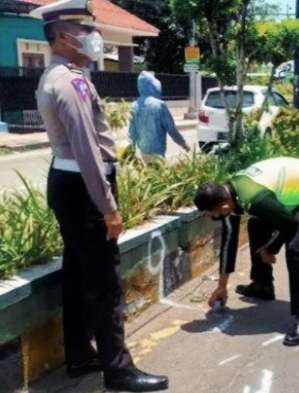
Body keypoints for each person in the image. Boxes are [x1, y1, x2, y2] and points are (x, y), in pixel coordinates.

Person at [32, 1, 168, 391]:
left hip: (69, 185)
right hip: (85, 189)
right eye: (82, 29)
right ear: (61, 35)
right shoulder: (70, 82)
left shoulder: (58, 76)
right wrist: (109, 208)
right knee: (106, 282)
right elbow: (89, 151)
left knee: (77, 274)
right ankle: (119, 369)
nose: (92, 36)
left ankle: (79, 355)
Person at [194, 157, 299, 346]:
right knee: (256, 225)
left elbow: (290, 224)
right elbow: (229, 242)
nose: (209, 217)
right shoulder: (229, 193)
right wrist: (222, 286)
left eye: (209, 214)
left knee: (295, 247)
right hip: (289, 190)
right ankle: (263, 286)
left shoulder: (253, 198)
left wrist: (270, 249)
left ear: (223, 206)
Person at [128, 71, 190, 163]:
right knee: (158, 175)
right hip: (157, 153)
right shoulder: (159, 105)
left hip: (143, 152)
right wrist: (183, 144)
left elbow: (132, 132)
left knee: (148, 174)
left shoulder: (134, 105)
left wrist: (131, 152)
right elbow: (171, 129)